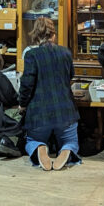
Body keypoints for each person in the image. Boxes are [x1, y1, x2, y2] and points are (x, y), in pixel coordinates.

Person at [19, 17, 79, 170]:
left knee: (32, 139)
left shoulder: (32, 55)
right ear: (54, 35)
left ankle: (40, 147)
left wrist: (23, 104)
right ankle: (67, 150)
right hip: (65, 110)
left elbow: (27, 84)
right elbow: (70, 75)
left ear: (36, 36)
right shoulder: (65, 52)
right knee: (70, 140)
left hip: (39, 112)